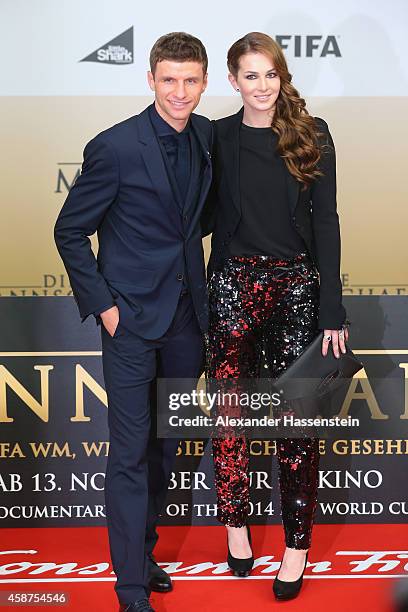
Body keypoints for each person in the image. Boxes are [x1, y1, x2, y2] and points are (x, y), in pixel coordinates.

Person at [54, 32, 212, 612]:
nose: (179, 91)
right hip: (129, 320)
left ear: (203, 82)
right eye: (168, 79)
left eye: (190, 80)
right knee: (127, 453)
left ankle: (143, 556)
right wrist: (105, 305)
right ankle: (129, 589)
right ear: (150, 79)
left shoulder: (205, 137)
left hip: (186, 322)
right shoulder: (115, 146)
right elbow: (69, 230)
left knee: (166, 450)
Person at [203, 32, 348, 601]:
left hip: (296, 291)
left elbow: (329, 221)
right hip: (234, 286)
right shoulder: (216, 136)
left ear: (282, 77)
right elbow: (198, 212)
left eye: (271, 75)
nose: (262, 86)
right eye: (250, 76)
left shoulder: (314, 135)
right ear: (233, 81)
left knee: (295, 424)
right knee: (231, 416)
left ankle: (296, 546)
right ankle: (236, 527)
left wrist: (332, 306)